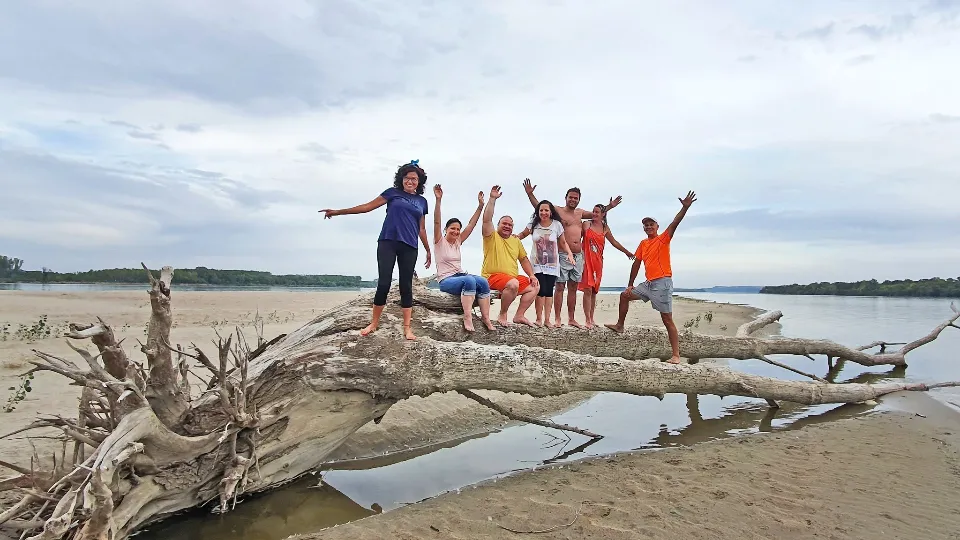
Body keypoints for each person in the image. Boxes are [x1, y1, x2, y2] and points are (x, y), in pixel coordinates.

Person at [319, 160, 432, 341]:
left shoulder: (422, 202)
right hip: (388, 242)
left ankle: (407, 328)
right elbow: (367, 207)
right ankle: (374, 323)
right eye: (407, 178)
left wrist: (428, 249)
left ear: (419, 182)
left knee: (406, 285)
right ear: (401, 179)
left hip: (410, 246)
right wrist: (337, 212)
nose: (410, 181)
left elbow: (422, 229)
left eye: (414, 179)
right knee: (384, 283)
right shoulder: (392, 193)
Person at [605, 191, 698, 364]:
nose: (648, 227)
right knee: (624, 295)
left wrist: (684, 208)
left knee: (667, 319)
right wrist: (630, 284)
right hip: (648, 284)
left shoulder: (663, 239)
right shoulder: (643, 243)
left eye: (651, 224)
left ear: (657, 226)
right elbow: (636, 263)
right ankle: (620, 326)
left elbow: (675, 223)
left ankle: (676, 355)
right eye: (645, 225)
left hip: (663, 283)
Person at [522, 178, 622, 328]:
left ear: (579, 200)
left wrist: (610, 206)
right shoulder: (558, 211)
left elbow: (597, 214)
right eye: (571, 197)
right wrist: (530, 194)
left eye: (576, 198)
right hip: (563, 254)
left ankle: (571, 318)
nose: (573, 200)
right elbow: (540, 207)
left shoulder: (580, 213)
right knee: (560, 287)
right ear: (566, 198)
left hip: (578, 255)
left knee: (573, 287)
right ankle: (557, 319)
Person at [432, 183, 495, 332]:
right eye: (452, 228)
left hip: (460, 275)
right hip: (446, 280)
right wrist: (438, 200)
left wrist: (480, 206)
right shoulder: (439, 241)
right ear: (446, 229)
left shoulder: (458, 241)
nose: (455, 231)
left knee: (483, 281)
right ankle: (467, 317)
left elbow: (471, 225)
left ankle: (486, 318)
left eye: (458, 229)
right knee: (469, 280)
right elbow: (436, 222)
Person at [479, 185, 540, 326]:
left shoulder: (515, 240)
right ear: (498, 225)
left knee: (535, 286)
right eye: (504, 224)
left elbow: (524, 259)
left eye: (510, 225)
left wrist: (531, 275)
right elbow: (486, 220)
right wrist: (492, 199)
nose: (507, 226)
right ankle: (503, 313)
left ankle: (519, 315)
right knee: (513, 283)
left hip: (511, 280)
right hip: (492, 278)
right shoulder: (491, 236)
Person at [515, 200, 575, 327]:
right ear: (537, 212)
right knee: (540, 290)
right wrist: (516, 237)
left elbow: (563, 242)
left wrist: (569, 253)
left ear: (551, 212)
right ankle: (539, 319)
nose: (543, 212)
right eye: (541, 210)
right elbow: (524, 233)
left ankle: (547, 320)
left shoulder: (557, 225)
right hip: (537, 263)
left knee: (548, 292)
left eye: (546, 210)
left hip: (552, 264)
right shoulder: (534, 223)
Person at [578, 203, 635, 328]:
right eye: (593, 211)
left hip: (598, 262)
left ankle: (591, 318)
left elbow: (614, 242)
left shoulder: (605, 228)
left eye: (597, 212)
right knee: (587, 289)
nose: (594, 214)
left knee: (594, 291)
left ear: (603, 214)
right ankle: (587, 320)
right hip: (586, 260)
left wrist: (626, 252)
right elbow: (576, 237)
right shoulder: (586, 224)